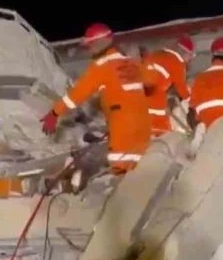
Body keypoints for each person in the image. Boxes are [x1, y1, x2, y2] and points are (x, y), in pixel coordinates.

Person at [41, 23, 151, 174]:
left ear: (99, 43)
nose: (89, 50)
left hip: (123, 123)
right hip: (143, 120)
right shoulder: (127, 61)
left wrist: (54, 113)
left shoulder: (102, 64)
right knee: (143, 168)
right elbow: (148, 82)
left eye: (89, 46)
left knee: (121, 169)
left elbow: (77, 94)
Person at [142, 35, 195, 136]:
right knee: (163, 130)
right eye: (190, 56)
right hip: (153, 96)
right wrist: (192, 102)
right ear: (185, 53)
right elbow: (181, 88)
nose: (190, 60)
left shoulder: (158, 54)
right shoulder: (178, 62)